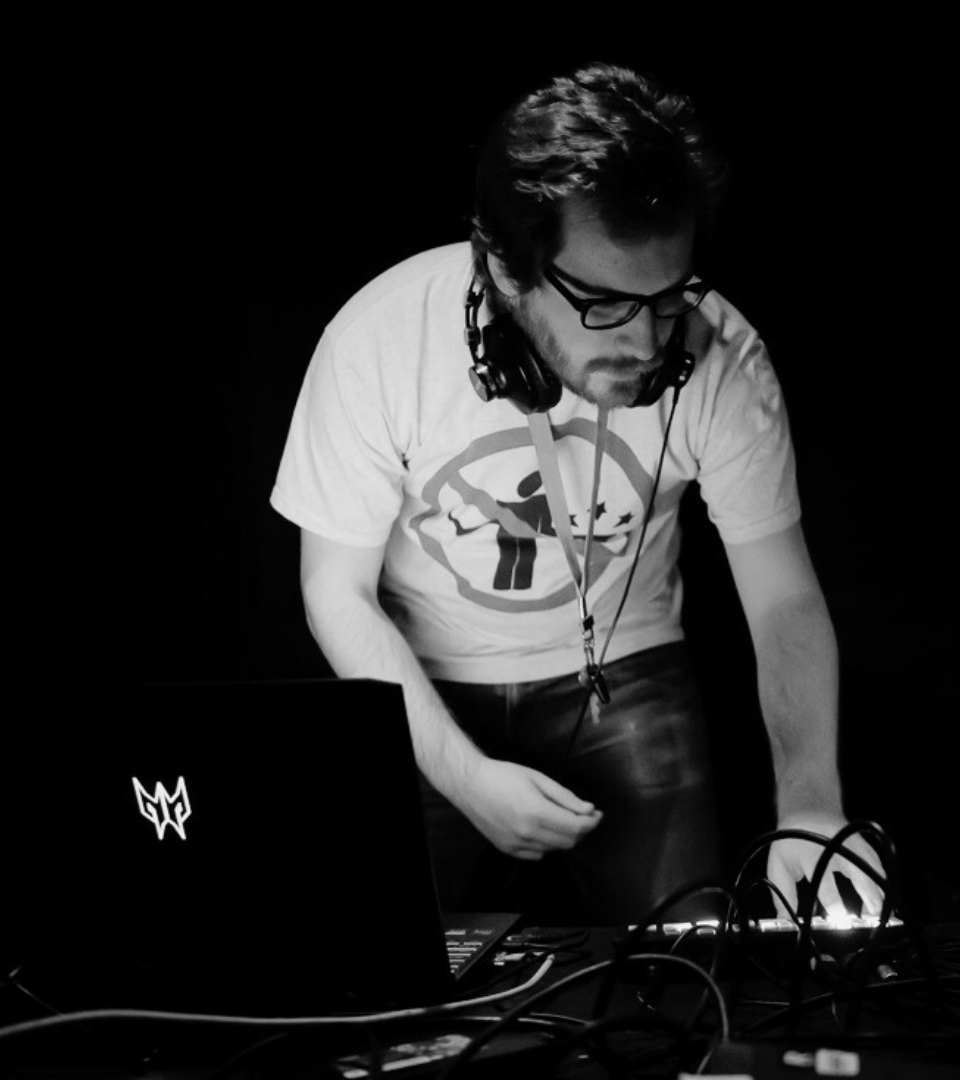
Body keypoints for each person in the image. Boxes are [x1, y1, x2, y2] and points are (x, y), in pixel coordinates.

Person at [271, 62, 885, 924]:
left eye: (666, 299)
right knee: (392, 986)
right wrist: (463, 775)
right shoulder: (377, 341)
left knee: (683, 967)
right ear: (506, 268)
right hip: (420, 680)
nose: (645, 341)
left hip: (630, 668)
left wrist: (813, 808)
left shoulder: (721, 357)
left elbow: (783, 599)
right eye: (602, 302)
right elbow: (333, 591)